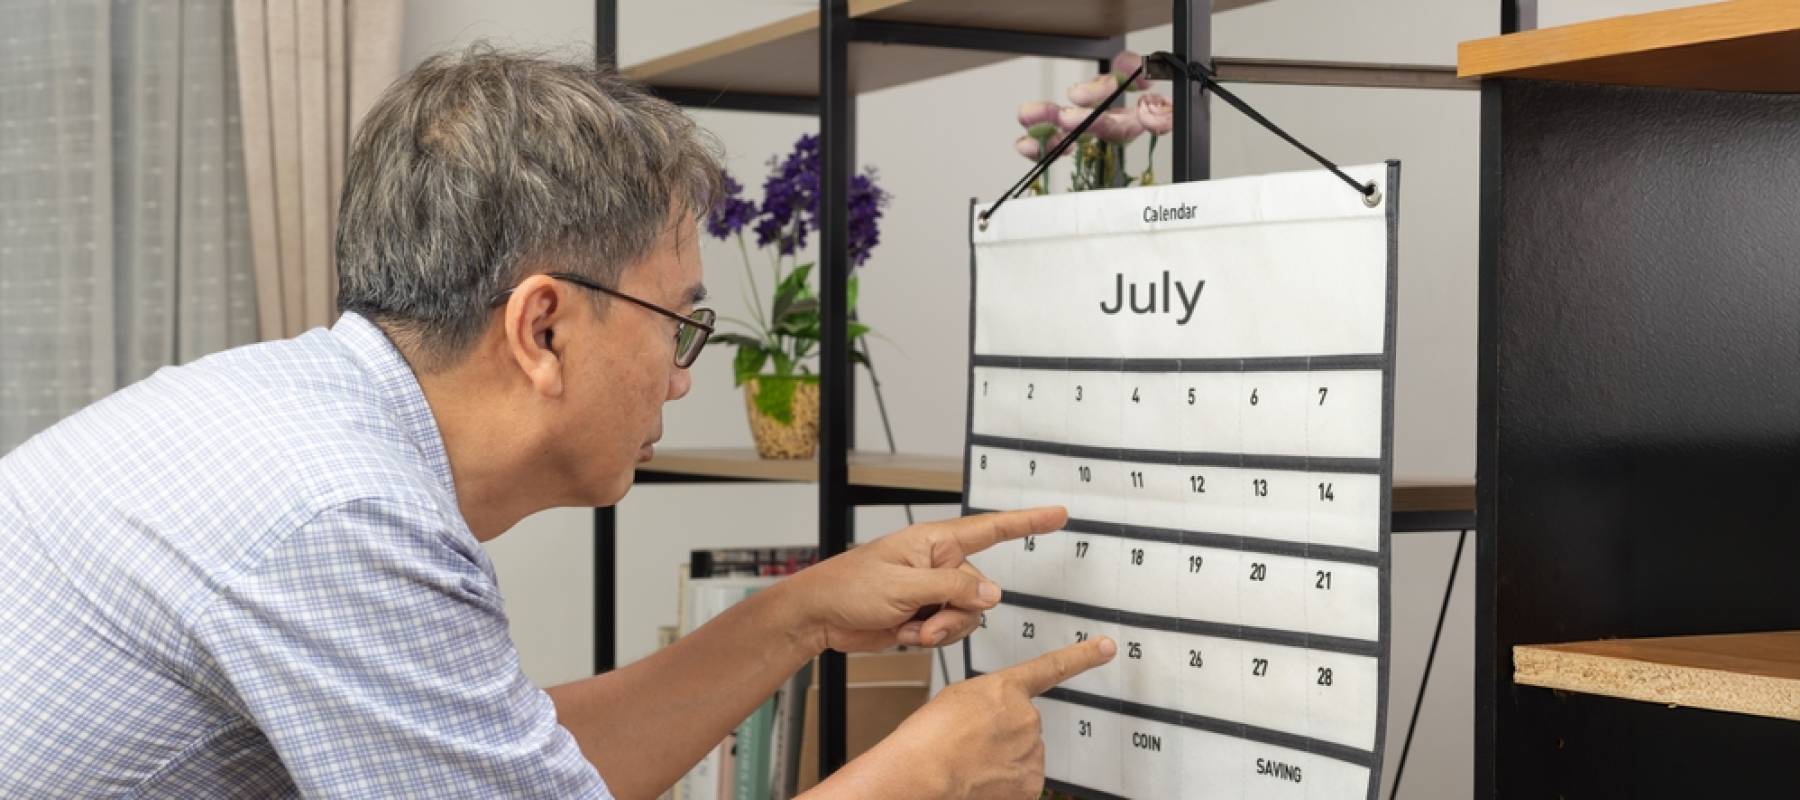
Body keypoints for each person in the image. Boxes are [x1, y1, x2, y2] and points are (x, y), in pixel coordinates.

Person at [0, 47, 1114, 798]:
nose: (681, 382)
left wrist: (801, 611)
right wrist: (919, 775)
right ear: (542, 326)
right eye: (679, 323)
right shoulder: (343, 515)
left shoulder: (295, 416)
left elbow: (516, 768)